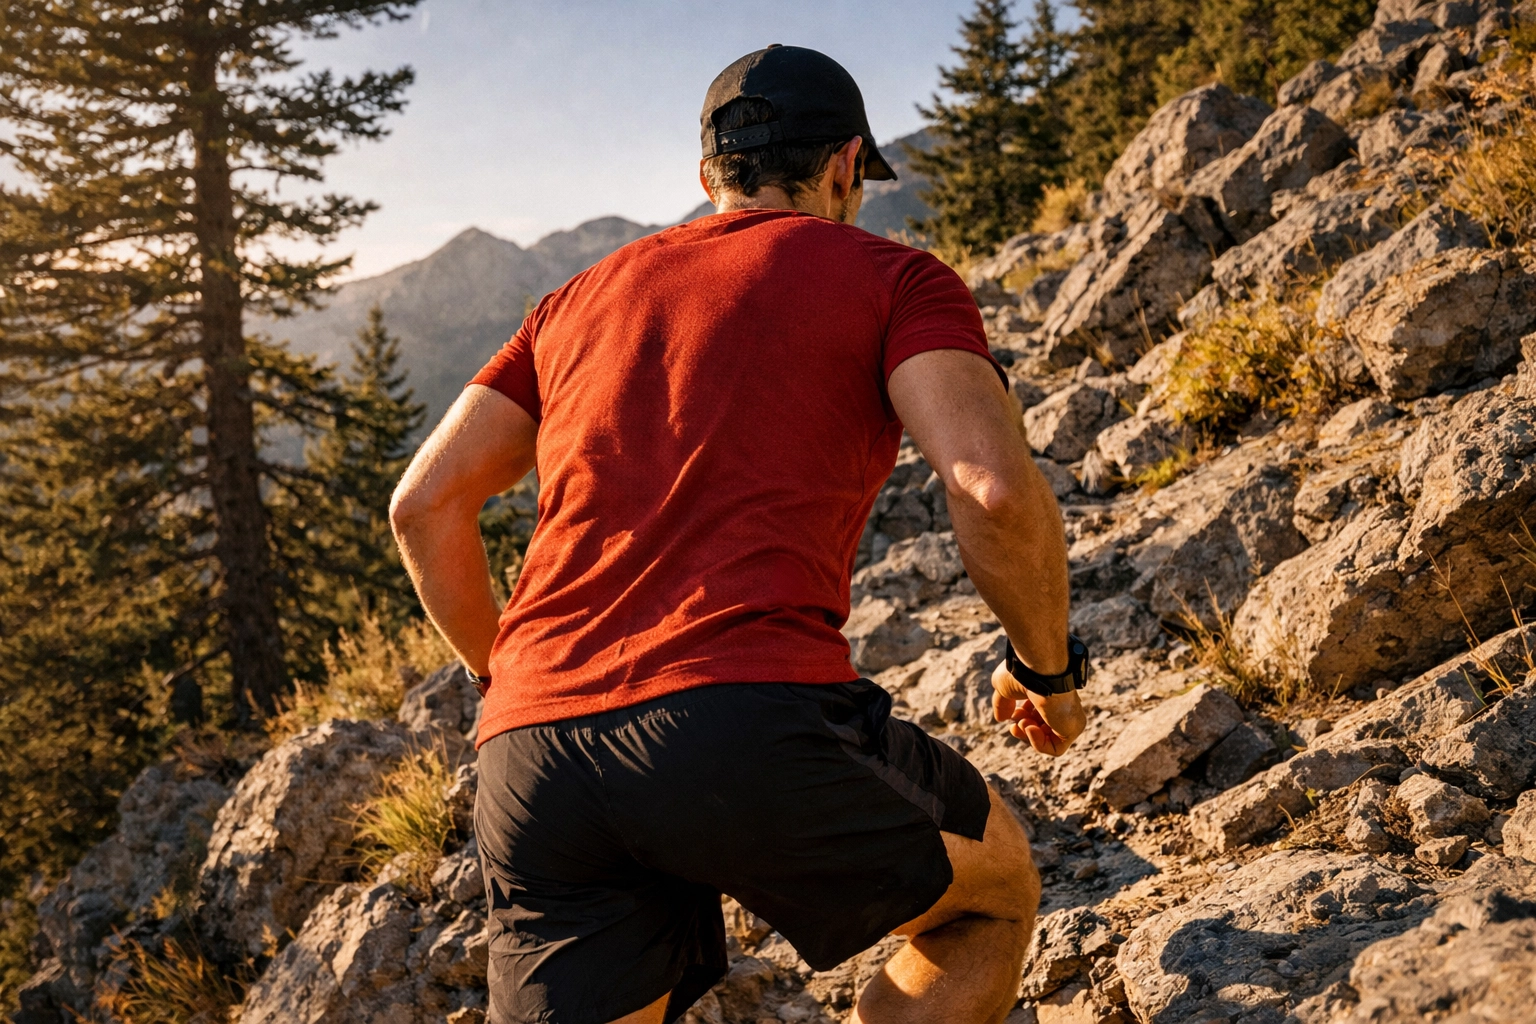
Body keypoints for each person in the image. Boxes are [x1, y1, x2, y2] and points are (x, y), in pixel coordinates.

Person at [391, 43, 1087, 1024]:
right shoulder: (896, 278)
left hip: (531, 762)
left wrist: (509, 681)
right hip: (742, 717)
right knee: (992, 894)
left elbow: (422, 504)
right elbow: (993, 487)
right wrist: (1046, 670)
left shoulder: (567, 306)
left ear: (707, 177)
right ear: (847, 167)